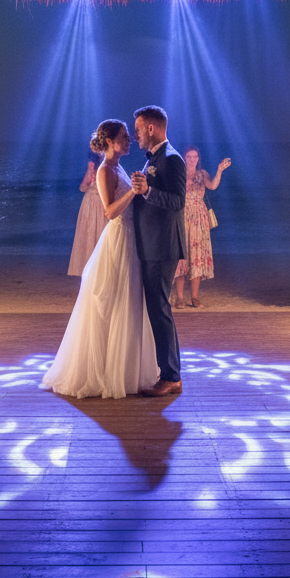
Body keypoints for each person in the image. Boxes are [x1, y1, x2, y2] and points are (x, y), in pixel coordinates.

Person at [42, 120, 159, 399]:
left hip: (131, 239)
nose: (129, 140)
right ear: (109, 142)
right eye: (124, 137)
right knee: (114, 301)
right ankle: (106, 372)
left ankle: (124, 368)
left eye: (129, 137)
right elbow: (109, 212)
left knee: (127, 303)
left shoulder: (118, 167)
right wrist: (134, 190)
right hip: (117, 239)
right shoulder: (105, 170)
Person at [131, 105, 186, 397]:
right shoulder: (154, 159)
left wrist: (147, 191)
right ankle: (168, 372)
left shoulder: (173, 159)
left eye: (138, 129)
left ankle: (171, 376)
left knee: (160, 308)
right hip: (151, 243)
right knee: (156, 308)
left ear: (151, 128)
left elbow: (178, 202)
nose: (136, 134)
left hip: (162, 245)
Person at [173, 146, 230, 309]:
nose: (192, 159)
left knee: (196, 256)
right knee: (181, 258)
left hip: (199, 216)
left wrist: (219, 170)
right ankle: (179, 298)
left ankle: (195, 297)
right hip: (182, 215)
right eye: (189, 157)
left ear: (198, 158)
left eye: (195, 156)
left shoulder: (202, 174)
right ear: (184, 158)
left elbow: (212, 186)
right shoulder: (178, 174)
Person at [67, 152, 107, 277]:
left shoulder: (110, 166)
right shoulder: (93, 166)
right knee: (90, 236)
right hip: (91, 205)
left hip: (102, 204)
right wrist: (90, 170)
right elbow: (83, 188)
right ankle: (89, 270)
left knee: (101, 236)